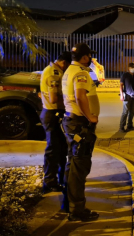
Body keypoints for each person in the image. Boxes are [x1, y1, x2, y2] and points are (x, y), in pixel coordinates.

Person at [61, 43, 100, 222]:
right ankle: (77, 210)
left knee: (73, 164)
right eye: (89, 55)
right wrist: (90, 117)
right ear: (85, 57)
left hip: (71, 121)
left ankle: (69, 205)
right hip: (79, 123)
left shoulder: (69, 70)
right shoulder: (81, 72)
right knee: (79, 166)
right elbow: (80, 96)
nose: (90, 58)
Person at [40, 51, 72, 194]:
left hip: (51, 113)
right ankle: (49, 182)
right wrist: (69, 103)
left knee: (60, 148)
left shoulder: (51, 70)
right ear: (64, 62)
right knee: (53, 149)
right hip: (52, 113)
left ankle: (59, 178)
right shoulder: (54, 73)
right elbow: (53, 98)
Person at [119, 62, 134, 132]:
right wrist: (121, 95)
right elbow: (121, 85)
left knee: (132, 112)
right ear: (129, 68)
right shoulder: (125, 75)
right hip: (127, 96)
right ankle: (121, 127)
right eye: (132, 67)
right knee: (125, 112)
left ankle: (130, 125)